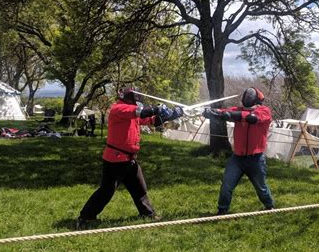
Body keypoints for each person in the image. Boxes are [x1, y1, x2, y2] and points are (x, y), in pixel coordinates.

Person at [76, 87, 183, 229]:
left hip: (129, 159)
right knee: (106, 191)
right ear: (130, 98)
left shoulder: (132, 112)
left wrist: (171, 115)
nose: (138, 101)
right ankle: (86, 217)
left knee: (139, 188)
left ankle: (147, 213)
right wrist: (155, 109)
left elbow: (149, 120)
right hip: (116, 159)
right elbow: (141, 112)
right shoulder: (118, 109)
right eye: (136, 98)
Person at [203, 87, 274, 215]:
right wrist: (212, 112)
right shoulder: (238, 110)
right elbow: (225, 112)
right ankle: (222, 210)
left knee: (261, 187)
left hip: (256, 158)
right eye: (246, 96)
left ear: (256, 99)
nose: (247, 98)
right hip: (237, 158)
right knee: (227, 185)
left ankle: (269, 207)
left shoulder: (264, 111)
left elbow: (251, 118)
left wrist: (230, 115)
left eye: (250, 96)